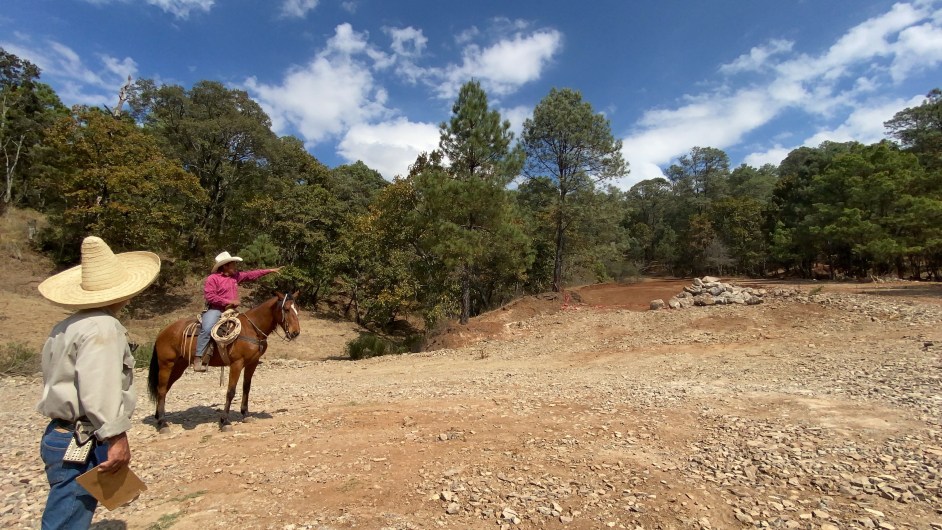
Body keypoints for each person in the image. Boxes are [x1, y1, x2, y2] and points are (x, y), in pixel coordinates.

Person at [36, 236, 160, 529]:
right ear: (124, 292)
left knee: (66, 508)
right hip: (83, 437)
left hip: (60, 433)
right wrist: (117, 438)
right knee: (68, 518)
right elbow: (99, 388)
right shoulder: (104, 327)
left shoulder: (67, 325)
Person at [192, 251, 281, 371]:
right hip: (216, 310)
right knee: (207, 328)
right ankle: (198, 358)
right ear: (225, 266)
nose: (236, 267)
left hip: (232, 311)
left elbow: (251, 275)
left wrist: (269, 271)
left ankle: (237, 354)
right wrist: (228, 302)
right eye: (233, 264)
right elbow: (210, 296)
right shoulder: (213, 278)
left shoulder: (235, 277)